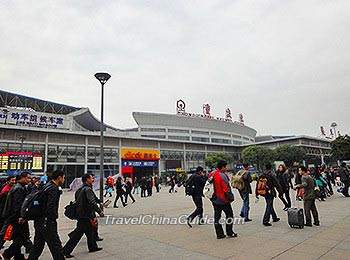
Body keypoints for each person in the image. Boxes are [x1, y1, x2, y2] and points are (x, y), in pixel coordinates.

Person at [62, 174, 104, 258]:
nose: (93, 179)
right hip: (86, 215)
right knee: (78, 234)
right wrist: (99, 211)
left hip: (80, 214)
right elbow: (92, 202)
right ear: (87, 179)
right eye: (92, 178)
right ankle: (66, 250)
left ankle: (93, 247)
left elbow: (92, 199)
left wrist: (99, 202)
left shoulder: (80, 189)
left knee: (90, 231)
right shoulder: (88, 190)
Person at [27, 170, 66, 260]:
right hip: (47, 222)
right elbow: (50, 206)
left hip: (40, 221)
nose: (64, 180)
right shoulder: (53, 188)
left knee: (38, 246)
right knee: (56, 247)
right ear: (59, 178)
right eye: (63, 178)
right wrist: (53, 217)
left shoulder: (46, 186)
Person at [1, 172, 31, 260]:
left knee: (17, 236)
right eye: (28, 178)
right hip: (17, 217)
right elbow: (18, 205)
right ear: (23, 178)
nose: (29, 180)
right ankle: (7, 253)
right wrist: (21, 216)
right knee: (23, 236)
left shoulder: (18, 187)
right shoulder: (19, 189)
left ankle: (18, 256)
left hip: (14, 216)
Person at [209, 160, 237, 239]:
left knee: (217, 216)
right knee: (229, 215)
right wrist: (231, 197)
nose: (226, 168)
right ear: (223, 167)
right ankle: (229, 232)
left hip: (214, 198)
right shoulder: (222, 176)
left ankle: (219, 234)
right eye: (225, 167)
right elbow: (226, 189)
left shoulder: (212, 174)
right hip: (223, 199)